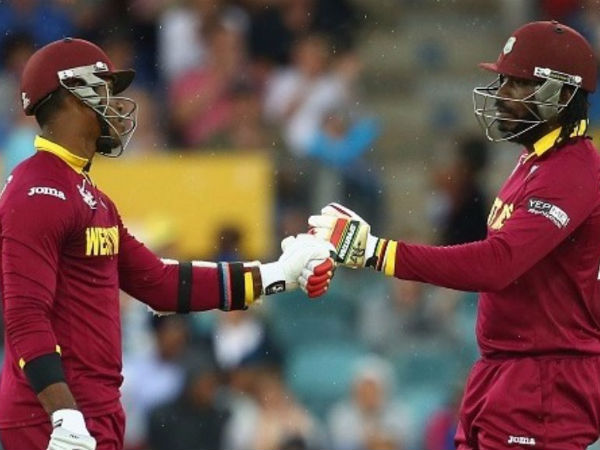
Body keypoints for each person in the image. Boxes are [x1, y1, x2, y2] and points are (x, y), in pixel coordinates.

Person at [0, 37, 334, 450]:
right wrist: (63, 414)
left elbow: (160, 283)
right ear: (71, 94)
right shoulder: (36, 191)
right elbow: (25, 316)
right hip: (50, 417)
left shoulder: (90, 197)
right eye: (104, 89)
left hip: (94, 410)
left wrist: (276, 275)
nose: (114, 103)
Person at [310, 21, 600, 450]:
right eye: (503, 81)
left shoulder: (570, 170)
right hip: (508, 371)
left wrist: (376, 252)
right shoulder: (535, 161)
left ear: (559, 95)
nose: (500, 94)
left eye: (517, 83)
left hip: (544, 381)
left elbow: (497, 264)